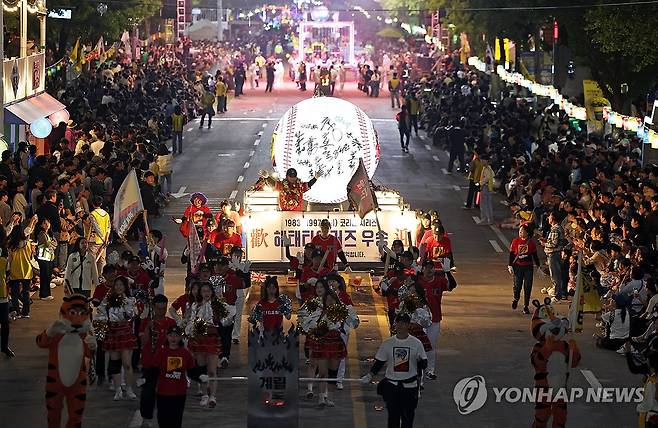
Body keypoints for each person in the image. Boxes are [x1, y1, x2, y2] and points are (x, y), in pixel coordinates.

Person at [361, 312, 427, 428]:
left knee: (408, 418)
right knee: (393, 417)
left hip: (410, 387)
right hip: (392, 386)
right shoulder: (388, 343)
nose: (400, 326)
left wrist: (419, 361)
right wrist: (370, 375)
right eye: (398, 323)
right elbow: (379, 362)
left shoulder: (416, 343)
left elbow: (424, 364)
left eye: (403, 323)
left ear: (408, 325)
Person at [185, 282, 234, 408]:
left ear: (212, 292)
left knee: (212, 370)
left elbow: (226, 320)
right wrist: (190, 330)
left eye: (208, 291)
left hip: (212, 339)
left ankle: (212, 396)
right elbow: (191, 321)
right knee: (201, 369)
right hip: (199, 339)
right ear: (200, 293)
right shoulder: (196, 305)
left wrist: (226, 318)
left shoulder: (218, 305)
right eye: (204, 291)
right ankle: (204, 395)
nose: (206, 293)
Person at [96, 276, 138, 401]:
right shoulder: (108, 299)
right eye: (117, 285)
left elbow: (132, 314)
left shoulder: (130, 299)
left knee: (127, 364)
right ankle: (118, 389)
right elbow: (101, 311)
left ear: (125, 287)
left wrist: (127, 307)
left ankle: (129, 389)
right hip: (112, 333)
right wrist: (101, 324)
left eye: (121, 285)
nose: (118, 287)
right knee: (114, 364)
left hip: (125, 332)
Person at [139, 294, 176, 426]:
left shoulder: (171, 323)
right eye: (159, 308)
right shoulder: (146, 322)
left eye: (164, 308)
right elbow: (143, 342)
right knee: (148, 392)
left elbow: (177, 343)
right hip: (150, 362)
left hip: (167, 363)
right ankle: (146, 418)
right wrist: (149, 328)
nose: (161, 311)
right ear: (153, 308)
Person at [155, 325, 195, 428]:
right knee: (163, 420)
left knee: (176, 420)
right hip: (163, 392)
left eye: (176, 336)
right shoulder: (161, 353)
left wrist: (200, 376)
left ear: (180, 338)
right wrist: (146, 378)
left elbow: (191, 370)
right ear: (167, 337)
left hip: (179, 393)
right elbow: (153, 369)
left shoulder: (185, 354)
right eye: (171, 335)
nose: (173, 338)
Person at [7, 214, 37, 318]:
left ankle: (17, 312)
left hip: (14, 272)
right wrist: (32, 222)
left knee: (15, 294)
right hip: (26, 271)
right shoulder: (27, 244)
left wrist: (8, 272)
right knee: (26, 292)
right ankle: (26, 312)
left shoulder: (10, 246)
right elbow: (30, 257)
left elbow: (9, 261)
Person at [508, 224, 541, 314]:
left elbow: (534, 255)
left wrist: (538, 266)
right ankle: (516, 298)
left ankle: (526, 306)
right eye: (519, 231)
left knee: (528, 286)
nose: (520, 232)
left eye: (522, 231)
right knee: (517, 285)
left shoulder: (531, 243)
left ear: (527, 233)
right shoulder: (515, 241)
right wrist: (510, 265)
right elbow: (512, 254)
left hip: (528, 267)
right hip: (518, 267)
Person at [540, 211, 566, 303]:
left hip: (554, 254)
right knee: (556, 275)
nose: (548, 218)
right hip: (555, 254)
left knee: (555, 276)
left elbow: (553, 244)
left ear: (553, 218)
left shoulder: (555, 229)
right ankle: (558, 293)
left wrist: (544, 243)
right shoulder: (557, 228)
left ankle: (557, 296)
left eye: (550, 216)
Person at [88, 196, 111, 275]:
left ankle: (92, 276)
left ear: (92, 204)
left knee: (92, 259)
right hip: (104, 240)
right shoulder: (106, 214)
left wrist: (102, 238)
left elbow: (96, 228)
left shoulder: (92, 214)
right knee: (102, 259)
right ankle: (101, 275)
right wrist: (106, 238)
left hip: (94, 240)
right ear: (101, 203)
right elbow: (108, 227)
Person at [36, 218, 57, 301]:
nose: (47, 224)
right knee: (45, 277)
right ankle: (44, 294)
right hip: (43, 258)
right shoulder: (41, 234)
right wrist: (52, 244)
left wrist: (52, 244)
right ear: (41, 225)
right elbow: (48, 244)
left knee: (47, 276)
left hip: (48, 258)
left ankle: (46, 294)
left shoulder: (48, 234)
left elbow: (55, 243)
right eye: (44, 223)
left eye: (48, 223)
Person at [0, 236, 13, 357]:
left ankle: (4, 346)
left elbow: (8, 276)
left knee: (5, 323)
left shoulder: (4, 260)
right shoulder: (4, 260)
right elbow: (8, 275)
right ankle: (4, 346)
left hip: (3, 295)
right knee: (5, 323)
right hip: (2, 294)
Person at [478, 155, 495, 226]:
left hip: (486, 187)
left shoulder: (486, 169)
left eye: (483, 160)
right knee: (488, 204)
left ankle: (484, 219)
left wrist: (480, 183)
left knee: (484, 204)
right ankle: (490, 220)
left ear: (486, 161)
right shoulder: (489, 168)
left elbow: (487, 177)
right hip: (489, 188)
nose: (481, 161)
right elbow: (493, 175)